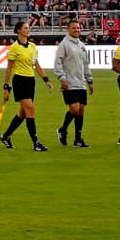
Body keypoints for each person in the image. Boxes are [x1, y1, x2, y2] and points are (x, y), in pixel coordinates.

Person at [0, 21, 53, 151]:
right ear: (18, 31)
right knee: (30, 109)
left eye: (28, 28)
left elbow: (37, 65)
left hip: (31, 81)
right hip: (20, 81)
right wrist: (6, 87)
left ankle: (6, 136)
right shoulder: (14, 48)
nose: (28, 30)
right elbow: (9, 68)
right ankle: (36, 143)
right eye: (25, 28)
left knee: (23, 113)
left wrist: (46, 79)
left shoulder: (32, 47)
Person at [53, 19, 93, 147]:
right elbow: (57, 63)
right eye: (74, 28)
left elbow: (85, 64)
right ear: (68, 30)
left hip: (81, 82)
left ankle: (78, 139)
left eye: (78, 28)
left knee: (81, 110)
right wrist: (62, 78)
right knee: (74, 109)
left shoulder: (81, 45)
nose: (77, 30)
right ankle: (63, 129)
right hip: (69, 83)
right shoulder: (64, 45)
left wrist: (89, 80)